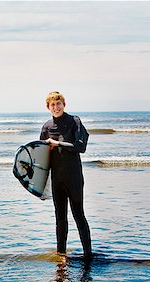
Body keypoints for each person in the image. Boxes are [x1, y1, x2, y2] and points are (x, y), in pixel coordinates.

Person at [40, 91, 92, 258]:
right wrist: (39, 185)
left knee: (78, 215)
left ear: (64, 104)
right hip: (57, 180)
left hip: (74, 177)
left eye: (58, 103)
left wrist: (57, 143)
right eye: (52, 105)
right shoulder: (46, 127)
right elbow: (42, 158)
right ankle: (61, 255)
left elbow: (80, 147)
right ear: (48, 107)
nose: (56, 107)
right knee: (60, 218)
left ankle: (87, 255)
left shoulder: (74, 121)